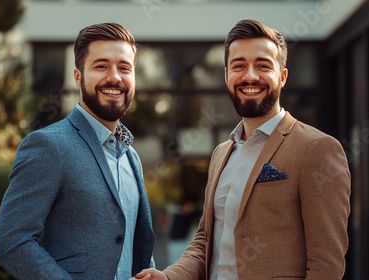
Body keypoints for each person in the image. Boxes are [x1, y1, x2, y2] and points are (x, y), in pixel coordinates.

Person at [133, 19, 351, 280]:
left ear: (282, 76)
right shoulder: (221, 154)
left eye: (262, 65)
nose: (250, 76)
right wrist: (168, 277)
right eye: (239, 66)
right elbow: (205, 242)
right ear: (227, 75)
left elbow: (325, 266)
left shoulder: (317, 149)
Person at [0, 22, 155, 280]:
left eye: (124, 68)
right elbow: (12, 241)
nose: (114, 77)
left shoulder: (131, 157)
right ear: (78, 76)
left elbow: (129, 246)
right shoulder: (48, 146)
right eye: (101, 66)